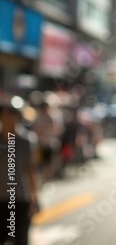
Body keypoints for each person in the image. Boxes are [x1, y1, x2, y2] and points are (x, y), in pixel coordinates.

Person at [0, 100, 40, 245]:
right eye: (6, 115)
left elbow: (31, 171)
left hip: (20, 198)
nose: (10, 118)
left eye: (13, 114)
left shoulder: (26, 141)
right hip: (1, 199)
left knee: (21, 239)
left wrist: (35, 199)